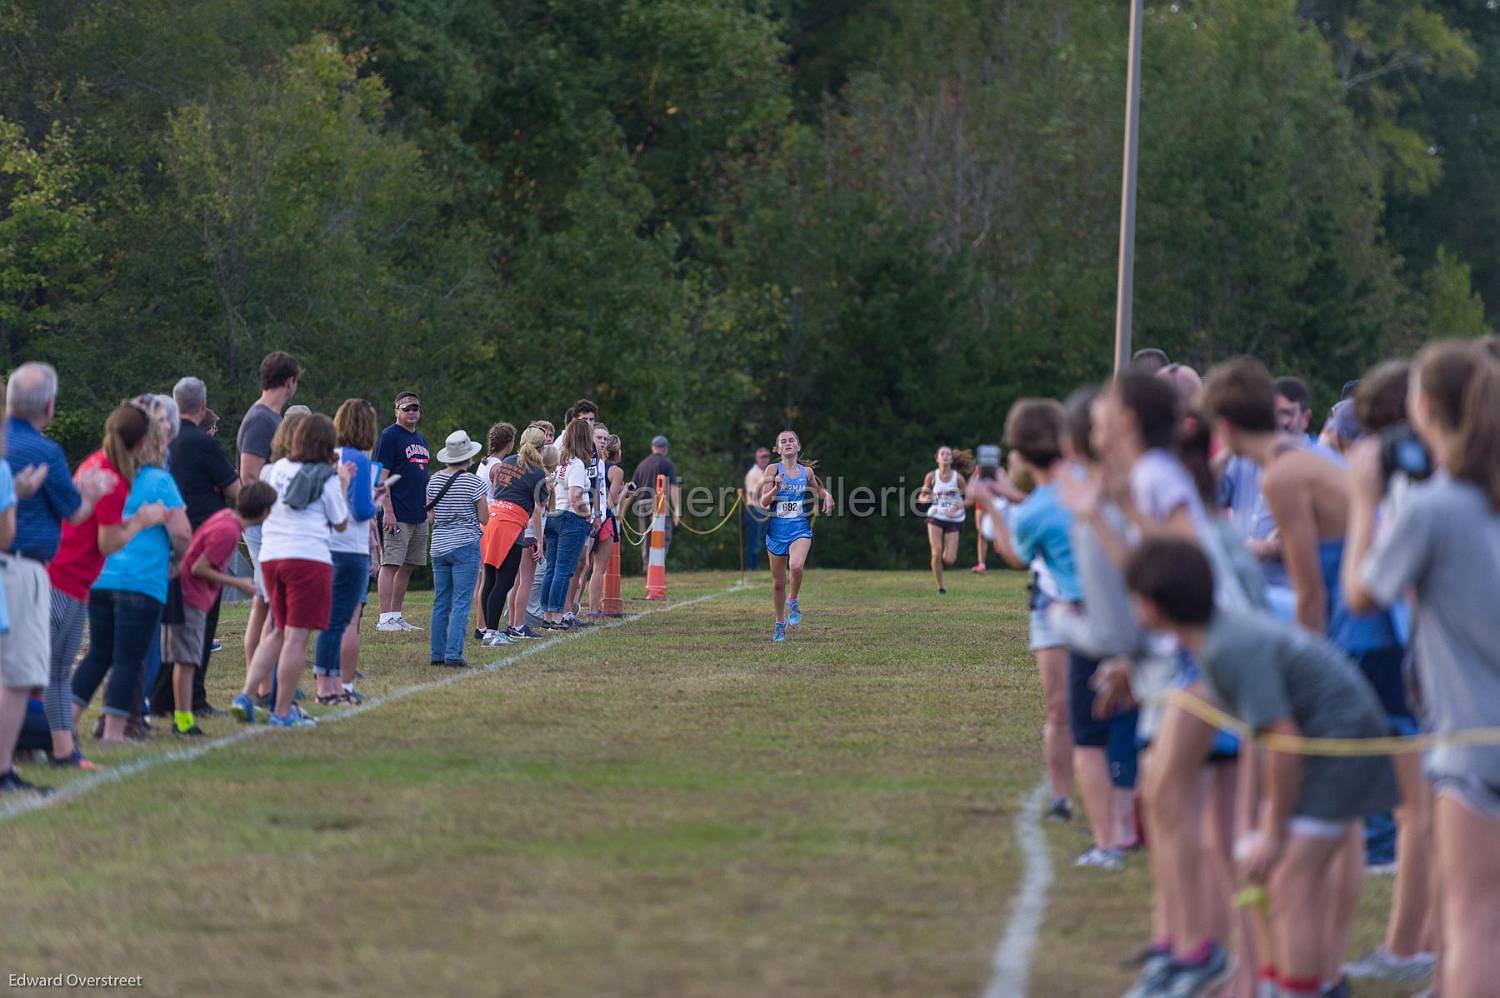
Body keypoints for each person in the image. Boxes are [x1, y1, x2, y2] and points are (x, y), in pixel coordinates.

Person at [1125, 537, 1397, 998]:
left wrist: (1271, 831)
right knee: (1277, 880)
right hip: (1324, 744)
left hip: (1339, 748)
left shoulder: (1227, 648)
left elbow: (1284, 739)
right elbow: (1261, 734)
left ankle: (1306, 989)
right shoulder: (1213, 641)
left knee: (1291, 881)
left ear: (1152, 606)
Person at [1341, 340, 1500, 998]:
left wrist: (1361, 501)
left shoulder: (1437, 507)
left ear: (1426, 407)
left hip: (1472, 744)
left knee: (1472, 926)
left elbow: (1361, 592)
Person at [987, 400, 1136, 871]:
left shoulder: (1033, 511)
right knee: (1130, 725)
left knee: (1088, 736)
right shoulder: (1096, 480)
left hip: (1082, 620)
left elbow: (1016, 553)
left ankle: (1108, 842)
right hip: (1130, 613)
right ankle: (1132, 825)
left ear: (1021, 453)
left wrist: (989, 503)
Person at [2, 363, 113, 795]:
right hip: (23, 567)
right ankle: (7, 766)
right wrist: (90, 490)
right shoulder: (44, 452)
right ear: (48, 407)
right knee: (22, 673)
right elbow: (74, 512)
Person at [46, 404, 167, 768]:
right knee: (49, 670)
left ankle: (62, 747)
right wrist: (143, 520)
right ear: (142, 441)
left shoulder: (94, 462)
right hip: (65, 580)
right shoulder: (112, 477)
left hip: (77, 581)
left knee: (60, 669)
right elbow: (108, 542)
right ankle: (46, 745)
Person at [69, 401, 191, 745]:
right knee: (128, 659)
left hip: (101, 577)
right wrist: (177, 560)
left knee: (98, 654)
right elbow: (181, 532)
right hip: (142, 581)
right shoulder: (160, 481)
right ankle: (114, 733)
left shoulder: (104, 471)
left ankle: (67, 724)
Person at [232, 414, 351, 728]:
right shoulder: (326, 476)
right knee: (296, 638)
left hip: (272, 555)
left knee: (277, 630)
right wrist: (343, 485)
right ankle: (282, 712)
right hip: (307, 559)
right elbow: (340, 522)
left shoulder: (276, 468)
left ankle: (245, 695)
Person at [153, 376, 240, 718]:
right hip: (204, 541)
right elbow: (234, 489)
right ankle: (194, 700)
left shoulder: (163, 440)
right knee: (200, 624)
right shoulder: (203, 443)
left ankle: (162, 698)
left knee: (172, 624)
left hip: (167, 539)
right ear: (203, 407)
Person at [163, 482, 275, 736]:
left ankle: (181, 716)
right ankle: (182, 721)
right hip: (189, 596)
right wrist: (239, 583)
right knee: (187, 660)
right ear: (264, 512)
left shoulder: (227, 518)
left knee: (185, 659)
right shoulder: (228, 530)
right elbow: (198, 568)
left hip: (186, 593)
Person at [235, 351, 299, 682]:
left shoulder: (272, 419)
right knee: (272, 605)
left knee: (264, 604)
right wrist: (274, 514)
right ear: (289, 382)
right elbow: (249, 474)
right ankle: (260, 685)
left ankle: (261, 681)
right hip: (264, 525)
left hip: (269, 523)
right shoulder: (262, 419)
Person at [313, 400, 380, 705]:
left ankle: (325, 679)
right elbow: (362, 509)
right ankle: (342, 684)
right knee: (346, 620)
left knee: (328, 618)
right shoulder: (361, 460)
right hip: (351, 546)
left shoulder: (328, 456)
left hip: (325, 544)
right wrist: (377, 500)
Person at [755, 429, 833, 643]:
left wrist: (827, 496)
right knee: (778, 582)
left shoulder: (806, 472)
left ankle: (794, 599)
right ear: (778, 449)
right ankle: (780, 623)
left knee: (796, 567)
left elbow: (818, 490)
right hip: (777, 533)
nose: (788, 443)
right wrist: (775, 489)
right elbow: (764, 502)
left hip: (800, 529)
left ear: (798, 446)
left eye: (791, 440)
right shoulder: (772, 469)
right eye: (783, 441)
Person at [478, 426, 549, 645]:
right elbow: (542, 504)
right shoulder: (538, 471)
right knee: (505, 581)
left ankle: (485, 629)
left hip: (492, 520)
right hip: (511, 525)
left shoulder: (505, 462)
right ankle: (491, 633)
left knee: (490, 578)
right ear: (541, 447)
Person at [425, 430, 488, 666]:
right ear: (469, 456)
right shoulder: (473, 482)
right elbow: (484, 518)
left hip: (439, 545)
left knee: (441, 601)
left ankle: (437, 654)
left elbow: (430, 516)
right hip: (465, 545)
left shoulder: (434, 480)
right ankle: (453, 654)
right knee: (461, 601)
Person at [375, 391, 430, 632]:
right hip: (396, 513)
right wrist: (387, 511)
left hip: (417, 513)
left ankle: (396, 615)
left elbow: (422, 478)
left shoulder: (420, 440)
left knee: (408, 565)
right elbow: (381, 478)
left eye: (415, 408)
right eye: (406, 408)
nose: (411, 412)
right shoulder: (389, 436)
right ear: (396, 410)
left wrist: (429, 509)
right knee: (390, 564)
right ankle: (385, 617)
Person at [540, 419, 596, 630]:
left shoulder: (558, 461)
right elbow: (575, 495)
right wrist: (588, 515)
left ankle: (547, 615)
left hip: (553, 516)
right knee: (564, 570)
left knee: (552, 569)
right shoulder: (578, 464)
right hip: (570, 517)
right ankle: (556, 617)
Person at [917, 446, 970, 595]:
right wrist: (925, 498)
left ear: (951, 459)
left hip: (954, 518)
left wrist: (959, 505)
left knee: (950, 559)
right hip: (936, 515)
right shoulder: (931, 476)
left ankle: (947, 552)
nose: (945, 456)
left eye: (948, 454)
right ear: (937, 458)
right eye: (942, 453)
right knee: (936, 553)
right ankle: (940, 587)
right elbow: (921, 496)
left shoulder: (958, 478)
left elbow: (970, 499)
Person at [585, 428, 623, 618]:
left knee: (583, 566)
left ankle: (571, 607)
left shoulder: (593, 464)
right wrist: (626, 493)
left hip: (586, 516)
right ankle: (593, 608)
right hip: (603, 517)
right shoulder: (616, 471)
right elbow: (612, 501)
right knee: (598, 568)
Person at [630, 435, 680, 568]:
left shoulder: (642, 464)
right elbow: (673, 487)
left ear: (653, 447)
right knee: (664, 535)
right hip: (658, 505)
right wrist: (677, 510)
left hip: (641, 504)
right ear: (665, 449)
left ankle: (647, 567)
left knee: (646, 538)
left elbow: (632, 489)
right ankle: (657, 565)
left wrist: (621, 510)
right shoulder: (667, 464)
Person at [743, 447, 772, 570]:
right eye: (762, 457)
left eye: (766, 457)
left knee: (766, 541)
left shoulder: (770, 473)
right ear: (757, 459)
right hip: (754, 510)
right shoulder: (752, 474)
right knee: (755, 542)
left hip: (766, 510)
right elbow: (752, 495)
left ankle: (757, 566)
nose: (764, 459)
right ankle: (751, 567)